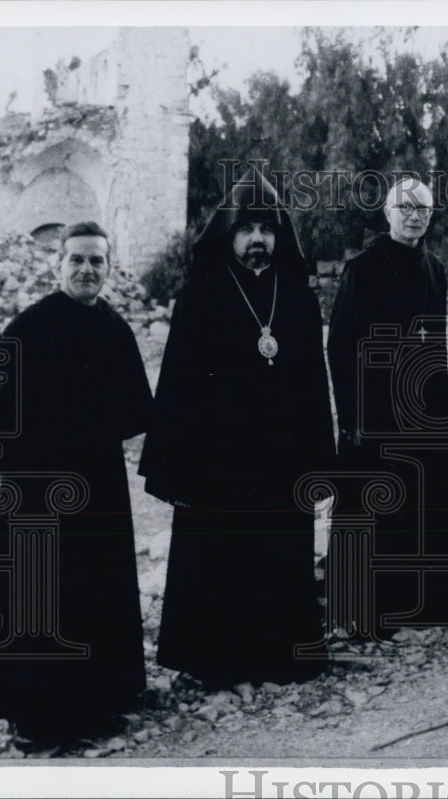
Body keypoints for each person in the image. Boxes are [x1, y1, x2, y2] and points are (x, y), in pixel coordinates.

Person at [139, 172, 334, 687]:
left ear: (279, 235)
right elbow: (176, 391)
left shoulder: (297, 298)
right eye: (246, 228)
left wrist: (318, 466)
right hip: (217, 465)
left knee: (276, 554)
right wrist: (176, 472)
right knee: (219, 556)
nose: (257, 239)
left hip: (280, 464)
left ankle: (277, 657)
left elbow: (316, 388)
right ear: (228, 234)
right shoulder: (198, 298)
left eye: (266, 229)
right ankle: (214, 660)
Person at [0, 221, 152, 746]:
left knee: (94, 591)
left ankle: (97, 702)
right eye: (77, 260)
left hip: (98, 488)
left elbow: (138, 410)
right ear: (58, 265)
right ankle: (32, 715)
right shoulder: (30, 327)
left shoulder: (116, 329)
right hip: (35, 489)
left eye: (97, 261)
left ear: (109, 268)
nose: (87, 270)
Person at [326, 176, 448, 640]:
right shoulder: (362, 268)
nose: (414, 214)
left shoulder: (435, 268)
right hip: (375, 411)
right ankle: (368, 610)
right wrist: (351, 416)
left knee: (420, 505)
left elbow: (436, 344)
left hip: (422, 413)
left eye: (423, 208)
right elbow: (339, 346)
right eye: (405, 207)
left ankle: (423, 604)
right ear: (387, 213)